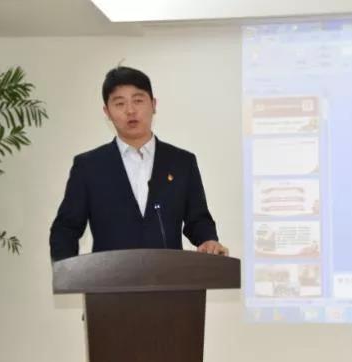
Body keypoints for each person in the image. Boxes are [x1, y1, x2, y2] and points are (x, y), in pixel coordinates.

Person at [49, 66, 228, 261]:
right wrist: (66, 268)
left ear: (153, 105)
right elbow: (66, 228)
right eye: (120, 103)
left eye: (138, 100)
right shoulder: (88, 166)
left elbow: (198, 220)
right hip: (109, 277)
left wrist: (208, 240)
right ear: (107, 112)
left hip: (169, 276)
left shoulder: (182, 162)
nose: (130, 110)